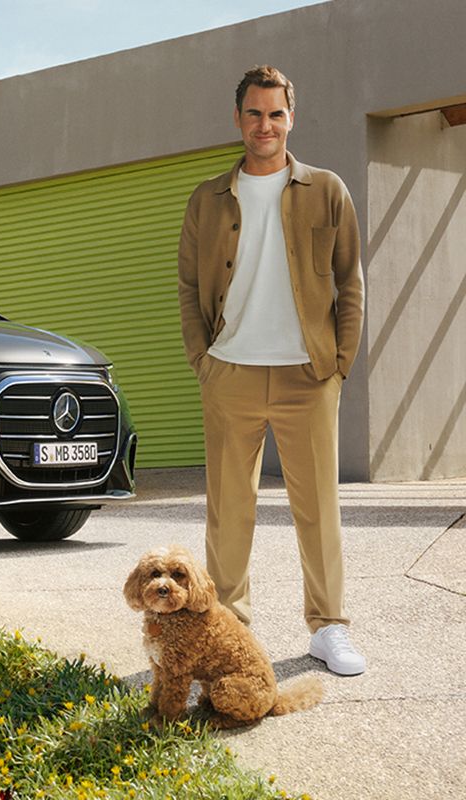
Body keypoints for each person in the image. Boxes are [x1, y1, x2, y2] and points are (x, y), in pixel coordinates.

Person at [176, 65, 366, 675]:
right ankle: (226, 634)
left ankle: (328, 627)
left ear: (292, 118)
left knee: (319, 508)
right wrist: (203, 360)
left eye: (276, 113)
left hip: (307, 375)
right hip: (229, 371)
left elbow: (350, 280)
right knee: (228, 510)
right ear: (238, 119)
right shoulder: (207, 199)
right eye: (254, 113)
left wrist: (339, 363)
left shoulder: (327, 189)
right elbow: (188, 287)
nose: (265, 125)